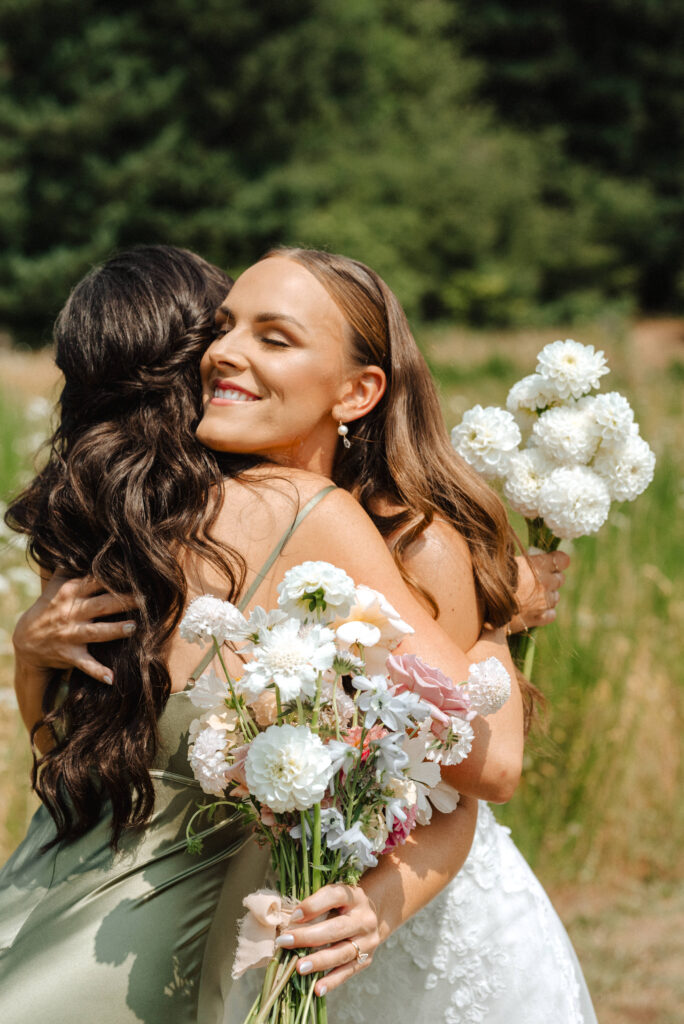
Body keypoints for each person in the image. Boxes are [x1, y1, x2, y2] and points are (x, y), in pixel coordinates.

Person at [14, 246, 594, 1021]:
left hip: (78, 916)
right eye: (221, 329)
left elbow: (476, 779)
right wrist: (497, 619)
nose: (224, 352)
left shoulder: (376, 534)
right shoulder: (208, 521)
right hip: (167, 943)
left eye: (273, 337)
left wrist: (484, 615)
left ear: (358, 392)